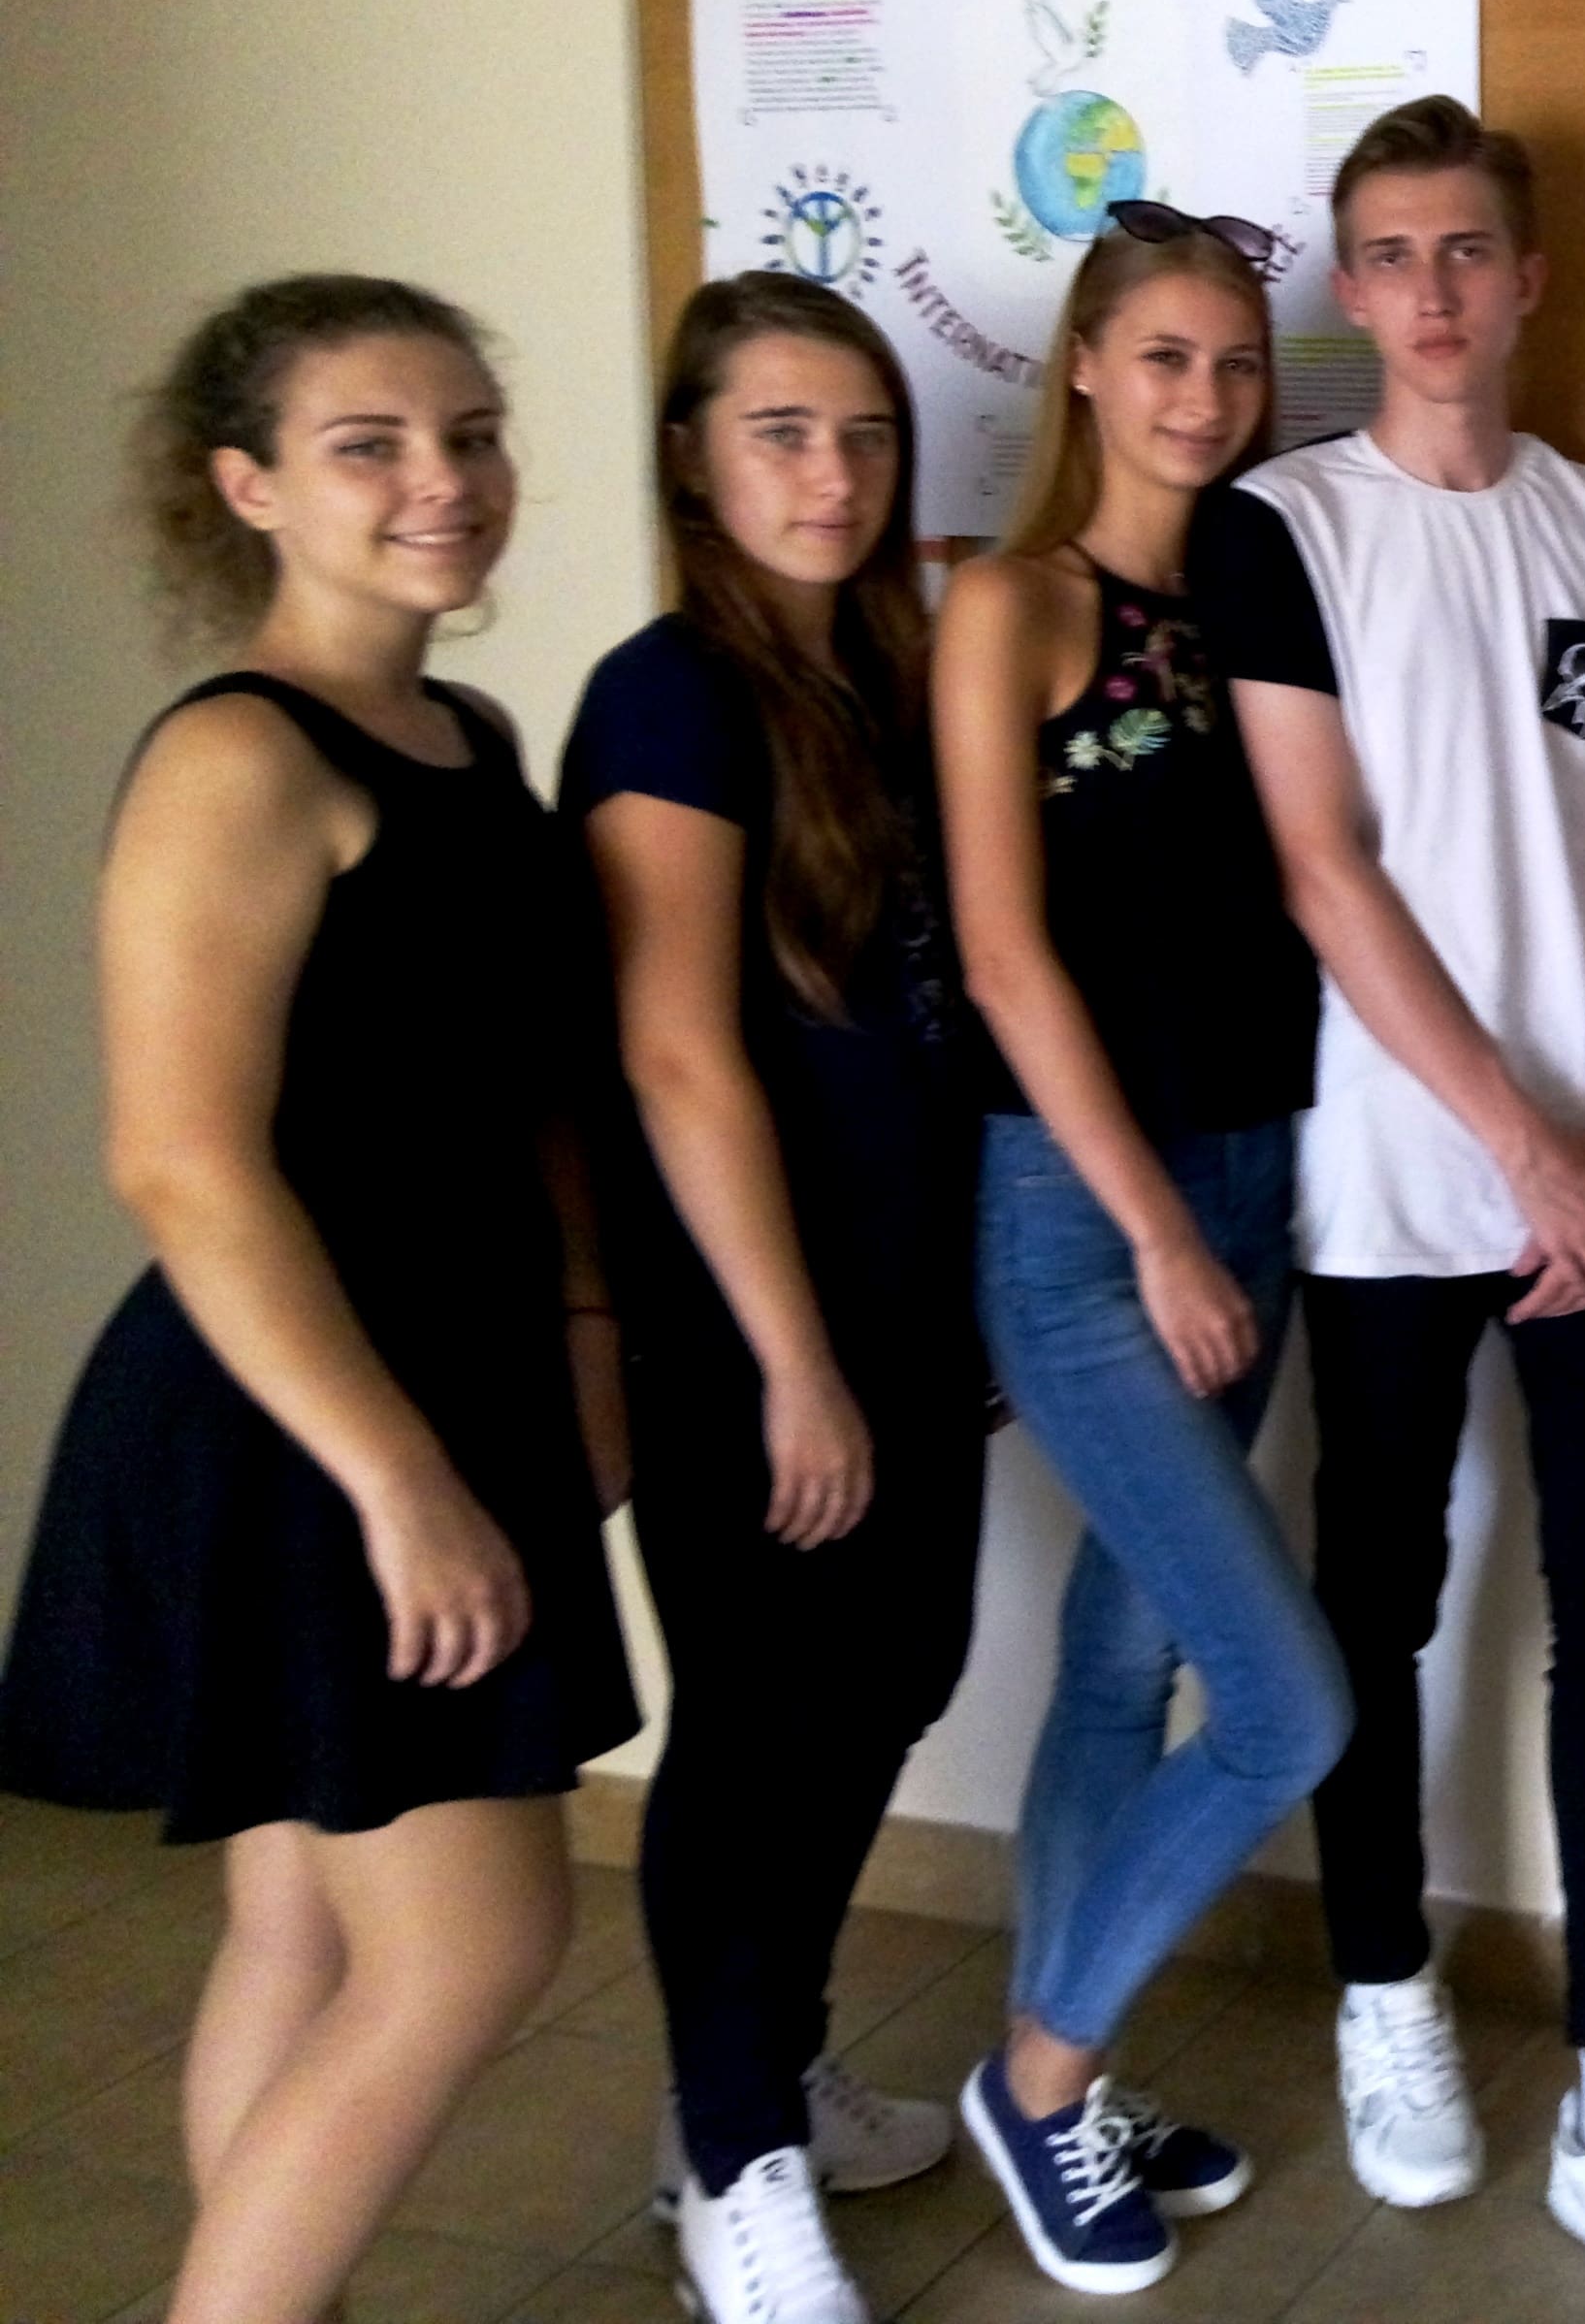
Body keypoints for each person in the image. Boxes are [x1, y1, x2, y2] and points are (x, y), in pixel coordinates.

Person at [0, 277, 637, 2324]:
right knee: (469, 1950)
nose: (442, 481)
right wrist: (401, 1484)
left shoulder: (465, 737)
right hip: (308, 1426)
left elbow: (521, 1097)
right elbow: (181, 1161)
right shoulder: (236, 758)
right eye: (371, 446)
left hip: (448, 1378)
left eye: (469, 434)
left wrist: (584, 1342)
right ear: (250, 485)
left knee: (302, 1923)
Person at [1193, 97, 1585, 2324]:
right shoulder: (1282, 529)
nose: (1432, 291)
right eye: (1393, 255)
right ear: (1350, 289)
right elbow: (1322, 869)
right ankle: (1385, 1990)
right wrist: (1528, 1153)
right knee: (1379, 1603)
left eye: (1467, 252)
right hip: (1397, 1179)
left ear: (1528, 281)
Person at [933, 208, 1350, 2287]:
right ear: (1085, 367)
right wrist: (1153, 1235)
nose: (1205, 397)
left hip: (1250, 1180)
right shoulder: (1008, 605)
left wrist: (1224, 1223)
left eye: (1238, 362)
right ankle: (1036, 2082)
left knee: (1124, 1663)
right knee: (1287, 1707)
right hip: (1089, 1219)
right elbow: (1007, 959)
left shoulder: (1262, 604)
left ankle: (1064, 2078)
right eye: (1167, 357)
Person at [567, 274, 987, 2324]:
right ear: (692, 458)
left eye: (865, 434)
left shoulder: (894, 677)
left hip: (910, 1303)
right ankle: (730, 2159)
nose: (833, 475)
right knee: (754, 1733)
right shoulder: (669, 696)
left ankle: (768, 2069)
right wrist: (791, 1362)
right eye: (783, 433)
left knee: (896, 1674)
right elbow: (673, 1053)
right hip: (754, 1326)